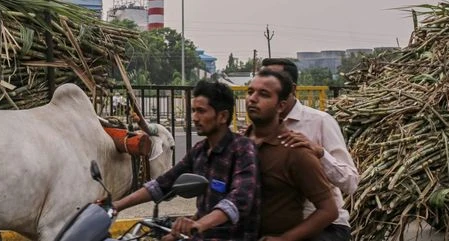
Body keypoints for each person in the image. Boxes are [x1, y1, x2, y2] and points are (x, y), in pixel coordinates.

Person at [112, 79, 260, 241]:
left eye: (201, 111)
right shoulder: (199, 151)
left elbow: (238, 200)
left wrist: (199, 224)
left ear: (222, 116)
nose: (195, 117)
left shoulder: (242, 148)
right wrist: (117, 205)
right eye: (194, 111)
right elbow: (163, 183)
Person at [261, 58, 358, 241]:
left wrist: (320, 153)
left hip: (324, 226)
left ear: (292, 89)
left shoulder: (320, 122)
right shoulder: (256, 130)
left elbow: (351, 182)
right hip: (274, 224)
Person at [245, 70, 337, 241]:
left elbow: (328, 210)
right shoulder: (237, 147)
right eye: (250, 92)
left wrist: (285, 239)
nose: (253, 99)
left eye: (263, 94)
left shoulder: (295, 151)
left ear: (281, 106)